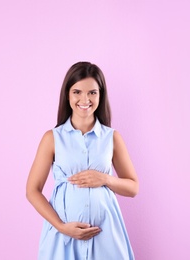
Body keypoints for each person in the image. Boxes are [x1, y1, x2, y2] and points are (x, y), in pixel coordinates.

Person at [26, 61, 139, 259]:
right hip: (64, 238)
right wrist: (61, 227)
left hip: (106, 236)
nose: (84, 99)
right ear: (68, 94)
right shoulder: (52, 138)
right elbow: (32, 190)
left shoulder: (112, 138)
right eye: (77, 91)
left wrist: (105, 179)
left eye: (92, 92)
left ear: (100, 95)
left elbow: (133, 188)